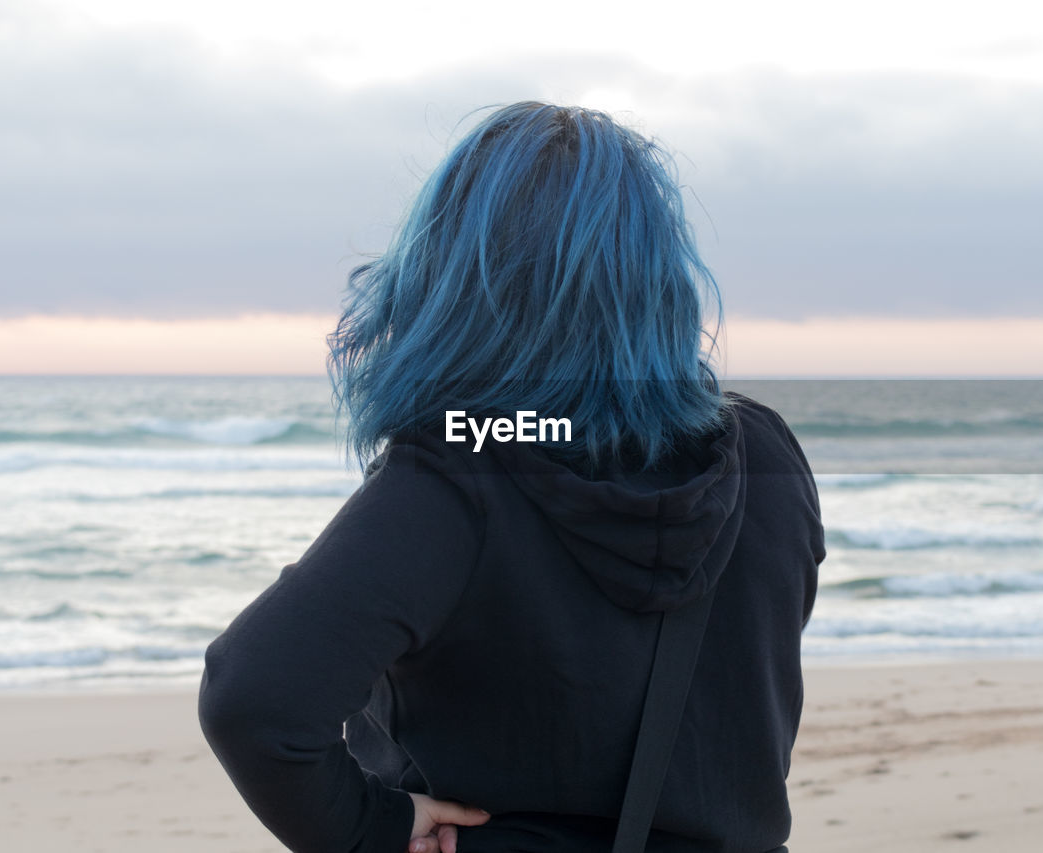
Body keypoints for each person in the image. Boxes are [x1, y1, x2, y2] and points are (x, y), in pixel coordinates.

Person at [197, 101, 826, 853]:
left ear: (454, 273)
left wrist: (373, 828)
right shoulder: (764, 455)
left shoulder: (464, 470)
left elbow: (255, 699)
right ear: (658, 276)